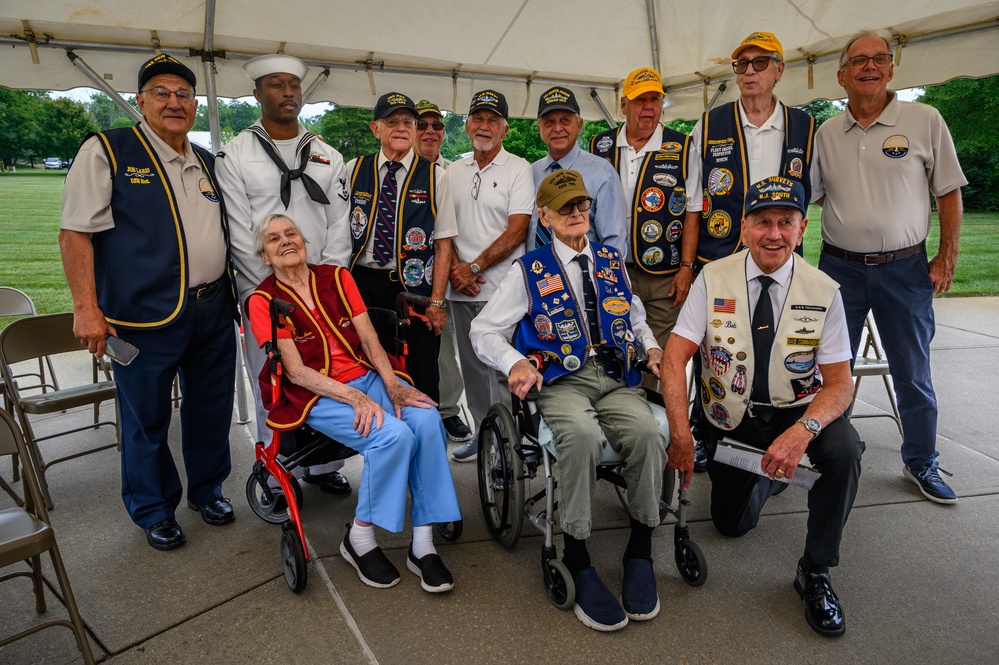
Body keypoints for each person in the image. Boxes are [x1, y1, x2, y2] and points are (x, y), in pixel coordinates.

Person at [661, 176, 864, 638]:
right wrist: (680, 431)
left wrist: (801, 432)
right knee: (730, 525)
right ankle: (769, 479)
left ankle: (814, 572)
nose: (774, 234)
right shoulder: (713, 277)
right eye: (763, 222)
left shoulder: (824, 289)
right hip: (734, 415)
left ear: (802, 228)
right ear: (745, 227)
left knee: (844, 451)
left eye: (786, 223)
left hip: (799, 411)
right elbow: (674, 356)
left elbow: (839, 384)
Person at [471, 169, 667, 631]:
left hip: (616, 376)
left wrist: (652, 345)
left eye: (582, 206)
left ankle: (640, 548)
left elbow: (634, 316)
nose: (577, 214)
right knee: (580, 436)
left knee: (646, 432)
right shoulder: (530, 269)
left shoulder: (610, 260)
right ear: (544, 216)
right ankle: (577, 553)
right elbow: (484, 330)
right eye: (565, 208)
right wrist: (516, 363)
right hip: (561, 381)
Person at [59, 54, 238, 551]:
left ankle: (208, 491)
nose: (174, 102)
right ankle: (153, 509)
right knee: (146, 419)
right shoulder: (108, 151)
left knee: (210, 409)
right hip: (141, 318)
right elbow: (75, 235)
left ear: (197, 104)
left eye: (183, 94)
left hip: (213, 310)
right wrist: (85, 308)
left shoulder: (205, 159)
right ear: (141, 101)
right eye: (161, 92)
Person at [247, 214, 461, 593]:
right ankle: (359, 539)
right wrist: (355, 396)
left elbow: (368, 339)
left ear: (304, 240)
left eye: (291, 233)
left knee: (426, 419)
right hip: (316, 393)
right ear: (264, 255)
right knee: (393, 436)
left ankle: (422, 544)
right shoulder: (264, 301)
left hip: (368, 375)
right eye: (274, 239)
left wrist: (393, 385)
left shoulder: (336, 278)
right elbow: (295, 372)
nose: (285, 241)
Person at [814, 32, 967, 504]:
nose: (869, 67)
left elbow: (949, 192)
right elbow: (811, 195)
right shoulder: (826, 133)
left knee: (913, 370)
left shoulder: (924, 120)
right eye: (858, 61)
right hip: (838, 271)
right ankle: (825, 457)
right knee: (825, 369)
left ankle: (921, 461)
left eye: (878, 59)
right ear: (841, 76)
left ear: (891, 69)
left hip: (905, 269)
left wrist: (947, 255)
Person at [215, 54, 353, 495]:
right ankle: (276, 468)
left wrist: (324, 284)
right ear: (257, 94)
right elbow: (239, 233)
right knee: (272, 380)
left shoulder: (327, 154)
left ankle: (322, 462)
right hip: (267, 293)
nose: (288, 92)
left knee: (328, 371)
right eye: (277, 85)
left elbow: (339, 224)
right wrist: (272, 293)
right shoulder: (235, 154)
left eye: (294, 85)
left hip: (319, 292)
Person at [682, 32, 817, 471]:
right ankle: (706, 432)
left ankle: (778, 433)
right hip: (719, 259)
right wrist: (686, 266)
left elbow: (817, 198)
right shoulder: (710, 123)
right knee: (714, 352)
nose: (750, 72)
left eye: (760, 63)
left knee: (775, 349)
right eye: (742, 64)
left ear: (780, 69)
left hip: (778, 258)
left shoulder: (805, 126)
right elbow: (693, 202)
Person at [345, 92, 456, 406]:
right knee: (370, 369)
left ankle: (426, 445)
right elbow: (337, 234)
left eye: (408, 121)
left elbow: (443, 243)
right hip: (363, 283)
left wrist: (437, 301)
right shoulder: (354, 169)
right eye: (392, 121)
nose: (402, 127)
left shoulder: (436, 176)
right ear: (375, 128)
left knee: (422, 373)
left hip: (414, 287)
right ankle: (385, 445)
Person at [589, 68, 693, 390]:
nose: (648, 107)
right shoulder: (599, 144)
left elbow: (694, 210)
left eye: (655, 99)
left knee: (654, 359)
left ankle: (651, 431)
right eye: (640, 100)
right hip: (611, 268)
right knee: (612, 349)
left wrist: (687, 267)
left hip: (663, 276)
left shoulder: (683, 146)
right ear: (623, 105)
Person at [447, 89, 535, 462]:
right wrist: (457, 271)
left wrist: (474, 267)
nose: (485, 126)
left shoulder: (520, 168)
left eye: (493, 120)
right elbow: (444, 230)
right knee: (471, 371)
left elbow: (517, 230)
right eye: (478, 119)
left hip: (503, 290)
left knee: (501, 371)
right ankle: (484, 438)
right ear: (467, 125)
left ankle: (507, 443)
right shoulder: (453, 169)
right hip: (460, 289)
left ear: (506, 129)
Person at [411, 98, 473, 443]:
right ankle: (415, 412)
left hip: (449, 277)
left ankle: (448, 411)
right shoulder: (397, 173)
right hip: (409, 278)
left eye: (436, 125)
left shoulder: (454, 173)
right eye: (422, 125)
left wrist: (458, 270)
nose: (430, 131)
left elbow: (458, 228)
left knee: (446, 352)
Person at [528, 85, 627, 256]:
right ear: (539, 129)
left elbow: (614, 241)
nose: (558, 128)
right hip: (535, 275)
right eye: (549, 122)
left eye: (565, 120)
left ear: (579, 125)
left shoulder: (602, 172)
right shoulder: (529, 173)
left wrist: (605, 279)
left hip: (583, 277)